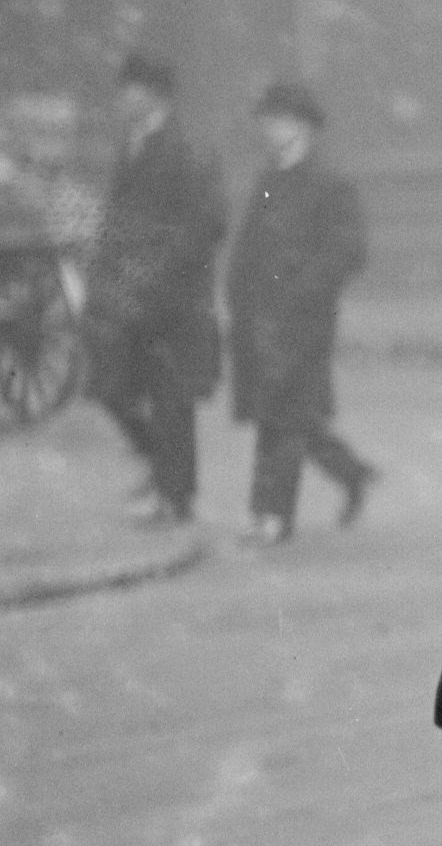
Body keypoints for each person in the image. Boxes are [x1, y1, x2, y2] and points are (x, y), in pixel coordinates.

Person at [224, 79, 375, 544]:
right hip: (261, 316)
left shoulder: (330, 183)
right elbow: (249, 243)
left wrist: (306, 289)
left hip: (305, 318)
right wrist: (238, 293)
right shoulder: (270, 179)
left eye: (279, 120)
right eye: (267, 120)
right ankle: (350, 474)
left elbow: (349, 250)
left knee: (284, 413)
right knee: (285, 412)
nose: (269, 129)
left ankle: (271, 516)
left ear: (303, 127)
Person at [85, 51, 226, 527]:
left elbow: (207, 221)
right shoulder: (132, 145)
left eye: (134, 89)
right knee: (112, 388)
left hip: (175, 299)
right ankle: (162, 469)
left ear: (156, 95)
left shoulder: (186, 148)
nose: (124, 98)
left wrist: (158, 269)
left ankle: (175, 495)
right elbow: (116, 219)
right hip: (127, 296)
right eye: (123, 89)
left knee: (172, 398)